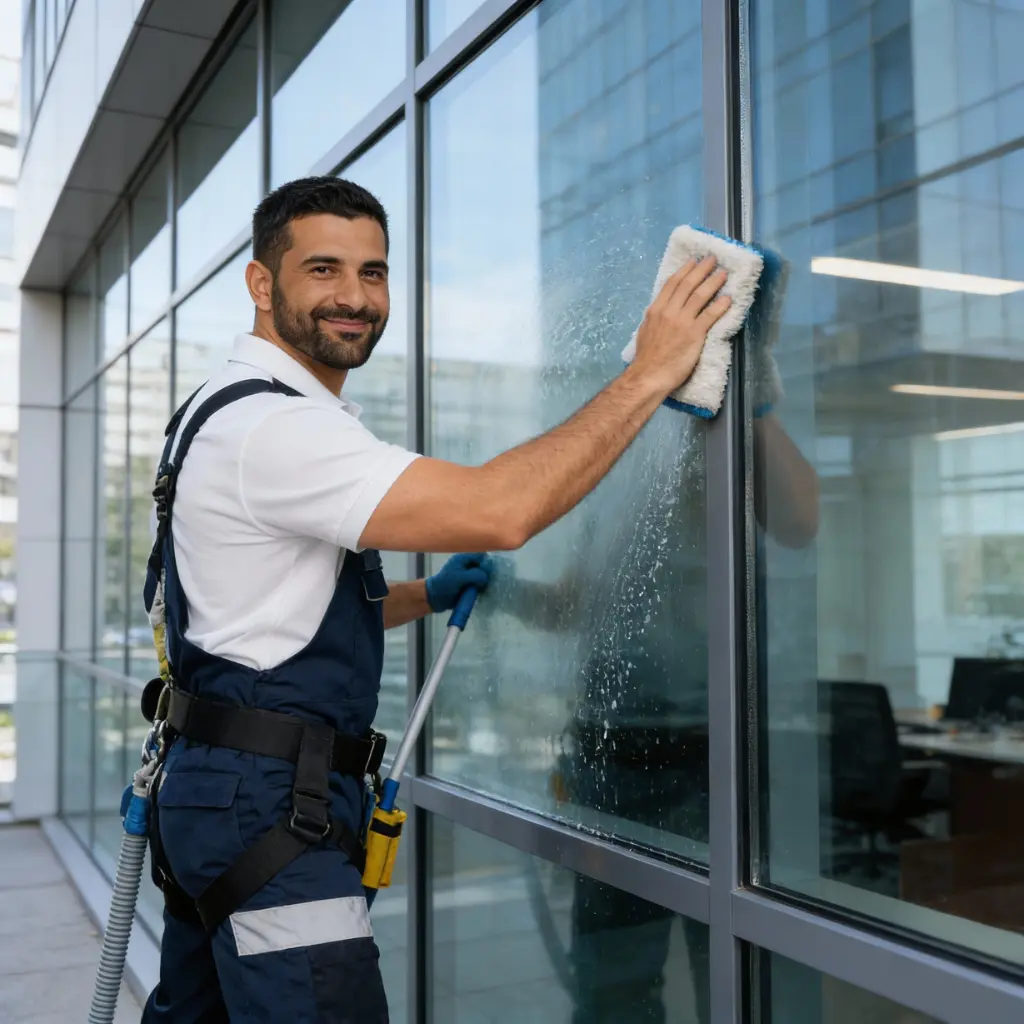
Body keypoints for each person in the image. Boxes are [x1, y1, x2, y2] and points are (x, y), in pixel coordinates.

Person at [138, 174, 734, 1023]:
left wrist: (424, 592)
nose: (354, 297)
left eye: (373, 273)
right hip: (271, 812)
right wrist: (651, 372)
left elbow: (265, 618)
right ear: (262, 285)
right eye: (323, 270)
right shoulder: (275, 427)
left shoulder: (216, 411)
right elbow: (502, 511)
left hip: (223, 797)